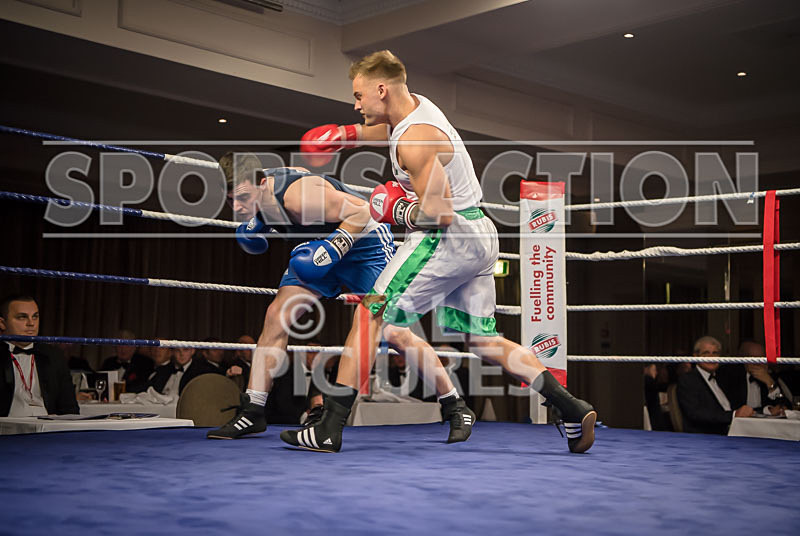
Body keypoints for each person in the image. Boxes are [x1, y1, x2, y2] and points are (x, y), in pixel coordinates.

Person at [280, 50, 596, 453]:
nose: (356, 104)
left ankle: (328, 428)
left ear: (381, 90)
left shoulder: (415, 141)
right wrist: (347, 134)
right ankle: (571, 407)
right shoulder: (415, 108)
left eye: (359, 96)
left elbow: (438, 215)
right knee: (482, 341)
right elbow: (387, 130)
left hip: (447, 237)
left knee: (370, 313)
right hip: (481, 235)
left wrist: (395, 209)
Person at [205, 155, 396, 439]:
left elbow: (365, 211)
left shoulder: (298, 199)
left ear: (261, 183)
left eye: (243, 198)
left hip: (364, 246)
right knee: (276, 315)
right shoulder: (264, 185)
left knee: (393, 332)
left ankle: (453, 403)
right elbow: (299, 170)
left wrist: (333, 249)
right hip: (320, 244)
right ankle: (252, 410)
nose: (236, 207)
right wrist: (260, 218)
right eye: (231, 199)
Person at [0, 294, 79, 416]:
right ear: (2, 323)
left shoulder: (53, 355)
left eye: (35, 316)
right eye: (22, 317)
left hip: (47, 426)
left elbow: (69, 408)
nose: (31, 323)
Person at [677, 335, 754, 434]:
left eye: (715, 353)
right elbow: (696, 414)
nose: (711, 357)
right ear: (696, 356)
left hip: (735, 429)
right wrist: (733, 415)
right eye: (706, 353)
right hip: (707, 436)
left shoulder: (723, 377)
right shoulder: (688, 380)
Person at [718, 341, 789, 416]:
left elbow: (785, 406)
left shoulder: (771, 376)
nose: (757, 363)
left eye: (761, 358)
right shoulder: (730, 375)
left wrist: (770, 383)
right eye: (753, 358)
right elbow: (729, 407)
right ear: (744, 360)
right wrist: (765, 411)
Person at [147, 347, 216, 396]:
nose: (181, 354)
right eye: (177, 350)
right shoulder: (164, 369)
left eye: (185, 350)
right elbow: (149, 388)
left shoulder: (201, 371)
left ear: (192, 351)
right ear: (173, 352)